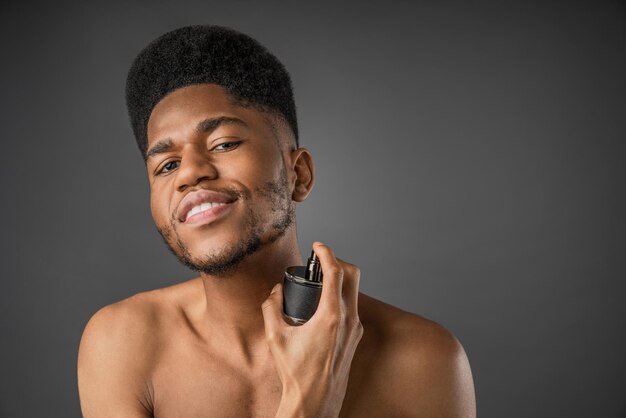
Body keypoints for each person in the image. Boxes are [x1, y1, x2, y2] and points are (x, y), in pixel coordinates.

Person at [77, 25, 476, 417]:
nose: (189, 173)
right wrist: (308, 404)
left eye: (224, 144)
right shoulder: (122, 344)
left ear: (298, 174)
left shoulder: (423, 360)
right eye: (166, 165)